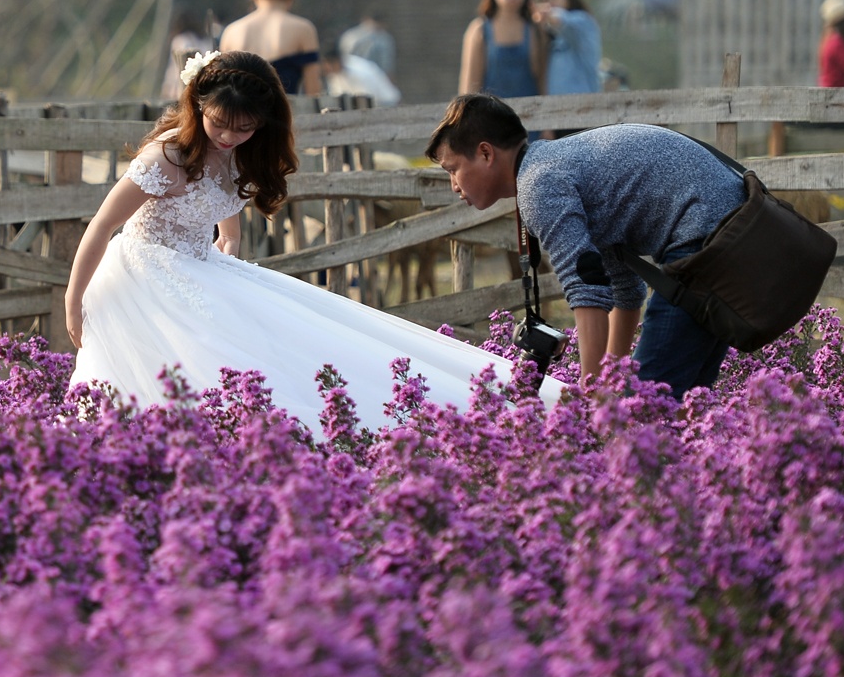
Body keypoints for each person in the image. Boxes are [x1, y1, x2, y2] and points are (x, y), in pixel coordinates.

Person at [66, 50, 558, 432]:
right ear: (198, 105)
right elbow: (102, 225)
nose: (229, 137)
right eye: (219, 124)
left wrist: (227, 251)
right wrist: (74, 300)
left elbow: (225, 213)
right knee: (183, 365)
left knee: (282, 345)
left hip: (199, 267)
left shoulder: (237, 155)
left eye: (244, 129)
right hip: (140, 272)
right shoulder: (166, 157)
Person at [427, 95, 745, 398]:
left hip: (703, 238)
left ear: (485, 153)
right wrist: (610, 382)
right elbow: (624, 287)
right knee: (680, 411)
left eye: (453, 169)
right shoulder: (552, 165)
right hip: (731, 231)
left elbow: (587, 290)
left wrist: (590, 398)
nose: (454, 185)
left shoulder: (538, 184)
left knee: (646, 409)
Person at [219, 0, 322, 95]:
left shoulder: (231, 32)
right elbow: (313, 91)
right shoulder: (303, 29)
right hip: (286, 116)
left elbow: (224, 91)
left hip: (241, 116)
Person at [460, 0, 545, 100]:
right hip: (492, 114)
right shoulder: (479, 30)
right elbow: (469, 83)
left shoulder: (534, 29)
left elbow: (542, 79)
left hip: (530, 111)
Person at [531, 0, 602, 96]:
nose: (550, 0)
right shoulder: (548, 30)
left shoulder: (583, 21)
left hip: (584, 103)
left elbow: (564, 21)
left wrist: (548, 14)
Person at [161, 10, 217, 100]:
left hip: (181, 86)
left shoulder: (180, 40)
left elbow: (173, 69)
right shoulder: (204, 40)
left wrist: (167, 87)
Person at [338, 13, 396, 80]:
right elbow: (386, 65)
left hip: (354, 75)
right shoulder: (383, 39)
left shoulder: (349, 35)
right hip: (371, 77)